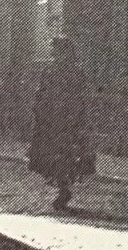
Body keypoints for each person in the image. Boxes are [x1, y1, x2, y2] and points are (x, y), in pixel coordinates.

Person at [29, 35, 91, 213]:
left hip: (68, 120)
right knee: (50, 155)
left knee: (66, 155)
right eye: (54, 49)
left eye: (57, 49)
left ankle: (64, 189)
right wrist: (39, 109)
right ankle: (62, 187)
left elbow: (81, 96)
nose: (54, 53)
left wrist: (78, 117)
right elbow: (41, 92)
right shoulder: (49, 70)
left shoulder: (75, 71)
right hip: (51, 120)